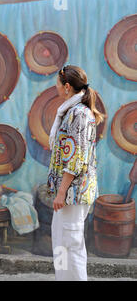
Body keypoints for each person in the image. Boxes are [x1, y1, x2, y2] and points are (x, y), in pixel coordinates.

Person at [47, 65, 104, 281]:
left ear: (67, 87)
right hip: (69, 192)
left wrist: (61, 192)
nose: (56, 87)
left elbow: (75, 159)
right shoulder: (70, 111)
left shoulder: (79, 114)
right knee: (61, 243)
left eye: (58, 83)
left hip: (74, 192)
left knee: (72, 245)